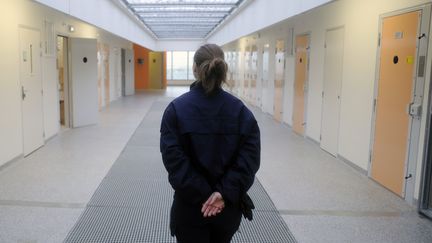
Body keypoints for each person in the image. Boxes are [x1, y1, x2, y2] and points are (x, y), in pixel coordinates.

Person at [160, 44, 260, 243]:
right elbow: (249, 160)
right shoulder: (241, 112)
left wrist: (204, 194)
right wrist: (222, 194)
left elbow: (174, 162)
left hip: (189, 209)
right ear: (223, 68)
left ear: (194, 69)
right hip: (226, 210)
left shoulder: (176, 110)